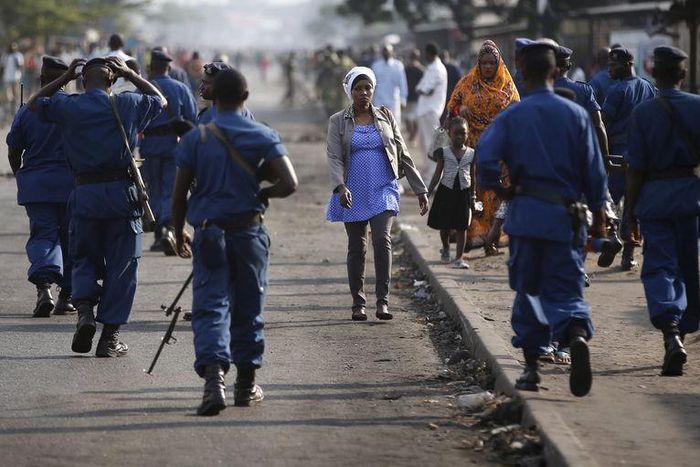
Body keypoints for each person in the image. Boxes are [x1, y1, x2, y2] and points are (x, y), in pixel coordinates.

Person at [476, 40, 608, 397]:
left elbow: (485, 159)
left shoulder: (512, 115)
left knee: (529, 288)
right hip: (566, 217)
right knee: (566, 283)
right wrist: (599, 216)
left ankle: (532, 370)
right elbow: (595, 173)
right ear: (554, 72)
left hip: (526, 215)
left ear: (522, 73)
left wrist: (499, 191)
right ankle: (576, 336)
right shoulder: (576, 114)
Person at [172, 68, 298, 415]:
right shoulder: (262, 133)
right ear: (245, 98)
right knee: (249, 307)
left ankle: (214, 383)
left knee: (211, 306)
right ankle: (245, 386)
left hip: (209, 233)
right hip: (248, 232)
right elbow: (290, 183)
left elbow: (179, 193)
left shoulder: (196, 137)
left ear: (213, 97)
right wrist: (265, 192)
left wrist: (178, 229)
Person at [27, 56, 166, 357]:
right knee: (123, 266)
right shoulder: (127, 104)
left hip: (85, 193)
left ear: (81, 81)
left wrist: (64, 77)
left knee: (84, 258)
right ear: (112, 80)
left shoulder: (69, 106)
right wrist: (130, 72)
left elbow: (33, 104)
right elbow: (160, 100)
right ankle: (110, 337)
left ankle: (85, 312)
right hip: (121, 196)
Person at [326, 67, 428, 321]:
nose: (363, 93)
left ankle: (382, 301)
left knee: (382, 241)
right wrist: (341, 186)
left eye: (367, 88)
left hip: (383, 188)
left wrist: (420, 189)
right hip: (352, 191)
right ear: (350, 91)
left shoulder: (385, 117)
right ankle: (358, 303)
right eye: (358, 88)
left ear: (373, 89)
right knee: (357, 247)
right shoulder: (337, 121)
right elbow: (334, 157)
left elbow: (402, 152)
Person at [625, 46, 700, 376]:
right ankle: (679, 334)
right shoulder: (698, 107)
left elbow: (635, 169)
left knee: (659, 268)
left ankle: (671, 333)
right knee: (687, 268)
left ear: (653, 72)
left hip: (654, 199)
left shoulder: (642, 113)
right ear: (682, 74)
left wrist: (628, 212)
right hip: (690, 197)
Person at [6, 56, 75, 317]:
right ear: (66, 80)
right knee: (71, 239)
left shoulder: (27, 111)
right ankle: (66, 296)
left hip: (36, 185)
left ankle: (44, 289)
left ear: (42, 79)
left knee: (43, 236)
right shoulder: (73, 108)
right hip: (70, 184)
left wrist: (21, 176)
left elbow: (14, 151)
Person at [447, 40, 520, 254]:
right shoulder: (467, 83)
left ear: (498, 63)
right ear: (478, 63)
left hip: (500, 149)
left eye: (492, 63)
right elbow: (451, 109)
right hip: (473, 149)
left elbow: (517, 112)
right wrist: (462, 110)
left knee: (497, 195)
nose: (488, 67)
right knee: (475, 193)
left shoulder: (507, 85)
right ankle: (472, 235)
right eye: (484, 63)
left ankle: (493, 238)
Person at [602, 47, 657, 270]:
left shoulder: (617, 90)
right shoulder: (648, 87)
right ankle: (628, 254)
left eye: (613, 65)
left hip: (618, 153)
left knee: (607, 199)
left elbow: (603, 121)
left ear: (627, 65)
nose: (609, 69)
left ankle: (611, 236)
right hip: (641, 153)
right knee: (633, 204)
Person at [141, 49, 198, 255]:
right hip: (175, 147)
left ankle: (161, 230)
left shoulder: (143, 89)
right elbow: (192, 120)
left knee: (154, 188)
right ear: (168, 67)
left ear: (151, 67)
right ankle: (166, 228)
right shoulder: (181, 88)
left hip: (149, 147)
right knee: (171, 191)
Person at [426, 117, 475, 269]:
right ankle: (446, 248)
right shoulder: (443, 152)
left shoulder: (472, 154)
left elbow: (473, 176)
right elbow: (437, 173)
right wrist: (427, 191)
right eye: (456, 134)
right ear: (449, 133)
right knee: (445, 225)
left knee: (462, 226)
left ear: (468, 134)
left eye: (463, 133)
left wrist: (473, 196)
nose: (460, 137)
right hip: (446, 192)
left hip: (464, 193)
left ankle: (459, 257)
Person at [414, 43, 448, 174]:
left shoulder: (438, 69)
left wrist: (421, 90)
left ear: (429, 53)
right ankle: (427, 175)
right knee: (424, 144)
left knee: (431, 145)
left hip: (431, 111)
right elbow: (420, 88)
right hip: (425, 110)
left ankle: (432, 177)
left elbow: (426, 90)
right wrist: (420, 90)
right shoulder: (431, 68)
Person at [370, 44, 408, 123]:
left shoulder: (398, 66)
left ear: (392, 52)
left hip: (394, 100)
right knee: (380, 124)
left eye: (388, 51)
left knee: (395, 123)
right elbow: (372, 84)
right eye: (384, 51)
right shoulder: (376, 66)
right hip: (379, 100)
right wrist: (371, 99)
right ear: (382, 53)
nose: (386, 53)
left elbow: (402, 83)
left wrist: (403, 98)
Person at [403, 49, 424, 143]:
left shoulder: (406, 69)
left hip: (408, 96)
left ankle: (411, 135)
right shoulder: (421, 69)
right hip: (417, 97)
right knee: (415, 118)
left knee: (408, 117)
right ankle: (413, 136)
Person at [439, 50, 462, 122]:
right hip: (452, 96)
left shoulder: (438, 68)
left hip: (441, 98)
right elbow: (460, 82)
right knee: (452, 117)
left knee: (442, 119)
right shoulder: (453, 68)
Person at [1, 43, 24, 115]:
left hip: (15, 77)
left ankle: (14, 109)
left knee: (15, 94)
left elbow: (20, 66)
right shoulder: (5, 56)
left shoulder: (18, 55)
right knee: (9, 95)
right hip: (7, 77)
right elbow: (2, 66)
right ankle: (8, 108)